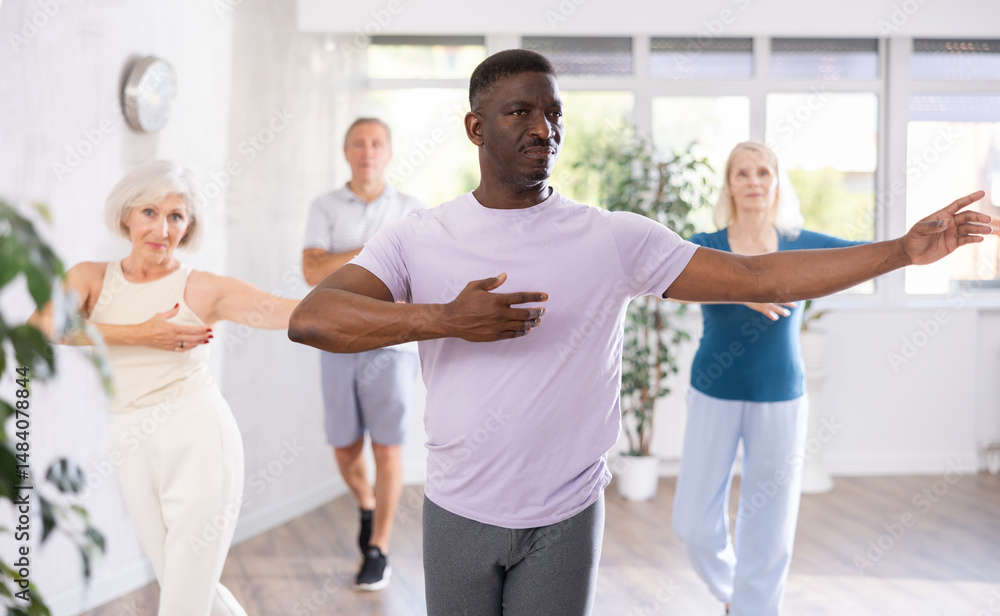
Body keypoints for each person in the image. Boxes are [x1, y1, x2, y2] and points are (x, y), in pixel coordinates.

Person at [286, 49, 990, 616]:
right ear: (476, 128)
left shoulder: (611, 239)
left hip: (565, 515)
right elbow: (314, 317)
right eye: (521, 112)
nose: (543, 130)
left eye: (554, 115)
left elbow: (759, 279)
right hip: (458, 509)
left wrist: (901, 250)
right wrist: (442, 320)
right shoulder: (422, 237)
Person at [35, 160, 299, 616]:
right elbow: (43, 326)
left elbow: (286, 311)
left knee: (183, 598)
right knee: (185, 584)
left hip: (197, 435)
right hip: (129, 437)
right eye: (149, 213)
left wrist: (388, 307)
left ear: (189, 226)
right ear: (126, 216)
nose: (162, 228)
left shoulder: (201, 288)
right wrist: (139, 332)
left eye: (176, 216)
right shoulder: (90, 278)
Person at [670, 141, 864, 616]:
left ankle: (756, 610)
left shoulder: (801, 245)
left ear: (777, 182)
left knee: (770, 525)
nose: (754, 181)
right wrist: (740, 287)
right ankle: (734, 594)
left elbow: (869, 257)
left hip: (781, 394)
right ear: (729, 185)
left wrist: (929, 239)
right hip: (713, 389)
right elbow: (659, 282)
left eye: (763, 172)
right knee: (692, 523)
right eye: (742, 173)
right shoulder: (707, 246)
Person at [301, 117, 424, 590]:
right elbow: (312, 270)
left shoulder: (413, 210)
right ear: (346, 151)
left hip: (392, 346)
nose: (367, 151)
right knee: (345, 447)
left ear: (388, 152)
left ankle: (379, 548)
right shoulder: (325, 206)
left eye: (376, 143)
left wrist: (346, 262)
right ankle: (368, 507)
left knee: (388, 448)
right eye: (358, 143)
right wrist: (380, 250)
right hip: (335, 339)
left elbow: (416, 273)